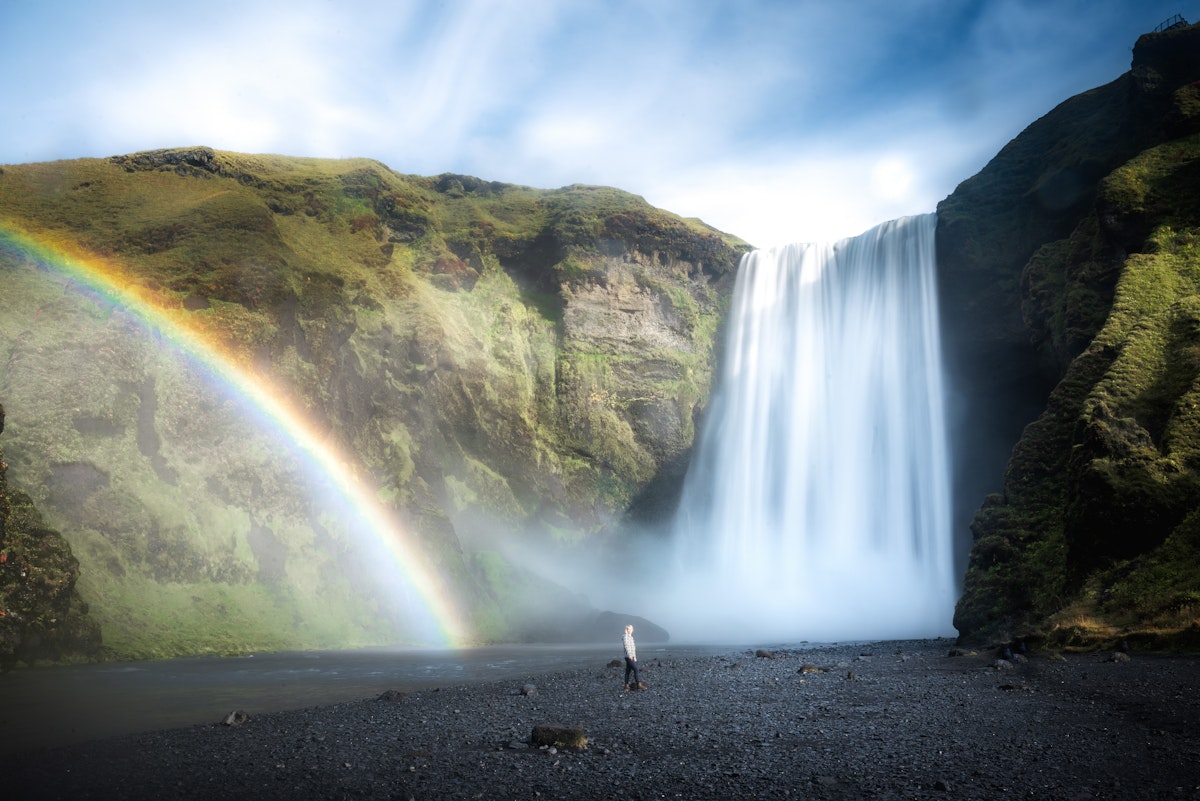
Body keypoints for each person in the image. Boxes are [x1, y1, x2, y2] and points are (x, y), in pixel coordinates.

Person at [622, 623, 642, 690]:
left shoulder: (631, 637)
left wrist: (634, 657)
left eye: (632, 629)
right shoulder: (625, 636)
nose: (631, 630)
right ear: (627, 629)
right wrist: (630, 655)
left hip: (632, 656)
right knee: (636, 669)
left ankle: (626, 685)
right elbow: (626, 646)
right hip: (628, 657)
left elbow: (633, 648)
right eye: (630, 629)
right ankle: (638, 684)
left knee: (628, 671)